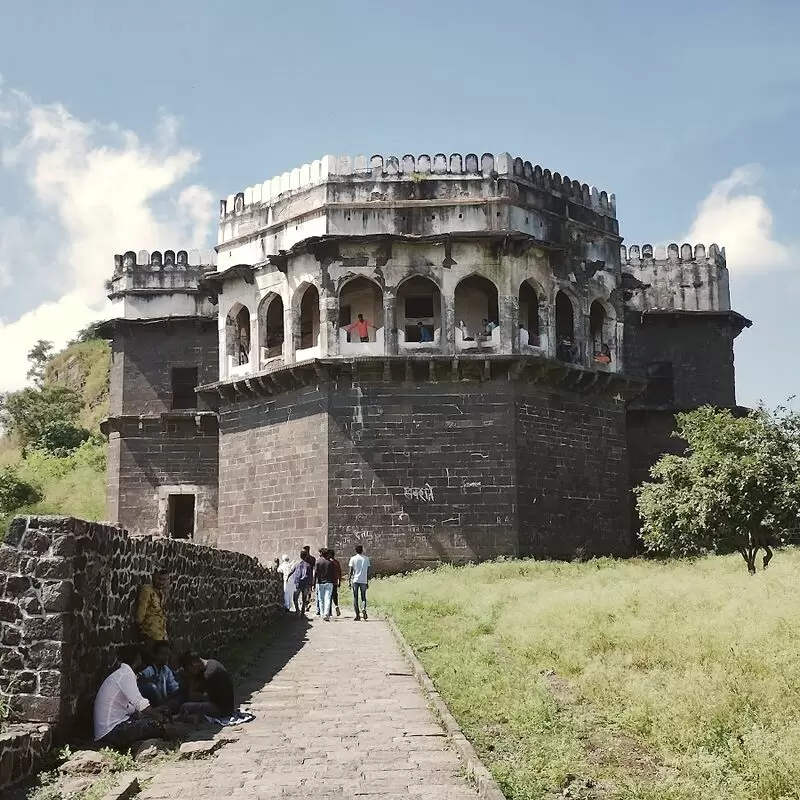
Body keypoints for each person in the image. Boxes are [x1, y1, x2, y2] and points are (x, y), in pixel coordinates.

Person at [94, 644, 171, 749]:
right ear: (137, 658)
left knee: (150, 720)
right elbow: (140, 703)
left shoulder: (121, 674)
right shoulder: (126, 675)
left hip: (107, 729)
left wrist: (154, 711)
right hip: (112, 731)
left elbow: (129, 707)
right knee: (157, 726)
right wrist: (161, 718)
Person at [179, 652, 235, 719]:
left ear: (193, 664)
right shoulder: (211, 663)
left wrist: (192, 681)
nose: (190, 672)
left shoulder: (208, 674)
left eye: (189, 669)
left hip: (221, 709)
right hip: (225, 706)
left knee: (185, 706)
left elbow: (201, 697)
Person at [137, 640, 183, 711]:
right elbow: (140, 684)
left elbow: (173, 688)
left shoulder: (166, 670)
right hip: (152, 704)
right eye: (163, 654)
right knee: (151, 687)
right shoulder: (148, 670)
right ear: (155, 655)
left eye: (168, 654)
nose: (166, 657)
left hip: (164, 700)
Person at [135, 569, 168, 649]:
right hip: (150, 633)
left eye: (164, 580)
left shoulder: (161, 593)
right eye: (159, 579)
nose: (161, 582)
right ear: (153, 577)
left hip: (161, 633)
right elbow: (141, 613)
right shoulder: (147, 591)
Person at [348, 545, 371, 621]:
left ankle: (357, 615)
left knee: (355, 598)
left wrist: (349, 581)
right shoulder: (366, 559)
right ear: (362, 550)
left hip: (355, 580)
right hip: (363, 580)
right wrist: (367, 581)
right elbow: (368, 571)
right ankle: (363, 608)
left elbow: (351, 571)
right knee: (363, 597)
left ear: (355, 550)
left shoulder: (353, 559)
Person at [314, 549, 335, 621]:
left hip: (320, 582)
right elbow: (333, 573)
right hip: (329, 582)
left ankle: (322, 614)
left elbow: (316, 573)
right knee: (328, 598)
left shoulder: (318, 562)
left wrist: (314, 583)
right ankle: (326, 613)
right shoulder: (330, 562)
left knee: (321, 599)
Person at [292, 551, 313, 615]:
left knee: (295, 598)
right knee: (304, 599)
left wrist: (287, 578)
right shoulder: (308, 565)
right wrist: (311, 584)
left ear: (300, 556)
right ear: (306, 556)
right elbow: (311, 576)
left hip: (298, 583)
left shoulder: (296, 564)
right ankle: (303, 611)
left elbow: (292, 571)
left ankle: (297, 610)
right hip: (305, 583)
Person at [328, 548, 342, 617]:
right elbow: (340, 572)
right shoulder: (337, 562)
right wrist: (339, 581)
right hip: (335, 581)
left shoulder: (329, 562)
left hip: (329, 581)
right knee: (335, 595)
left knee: (329, 596)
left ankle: (329, 611)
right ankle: (336, 606)